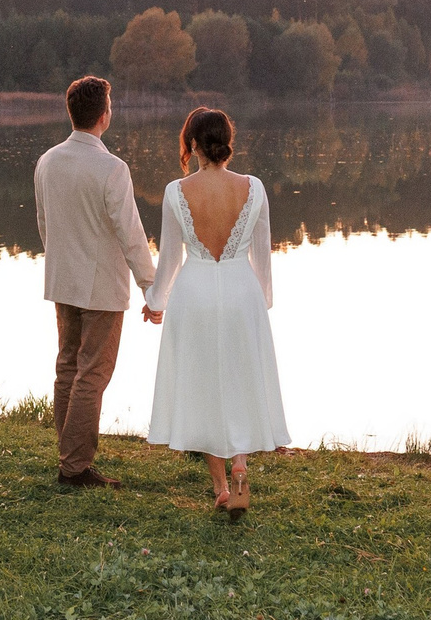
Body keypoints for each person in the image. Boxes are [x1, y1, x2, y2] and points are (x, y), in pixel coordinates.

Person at [143, 107, 288, 520]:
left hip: (196, 295)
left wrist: (156, 302)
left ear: (191, 143)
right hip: (242, 292)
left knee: (204, 384)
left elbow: (170, 257)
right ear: (227, 141)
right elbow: (263, 253)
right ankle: (240, 462)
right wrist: (261, 301)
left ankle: (222, 487)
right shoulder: (254, 187)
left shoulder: (176, 192)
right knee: (239, 378)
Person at [31, 74, 157, 489]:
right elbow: (132, 233)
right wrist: (151, 287)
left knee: (68, 365)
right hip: (101, 287)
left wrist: (60, 261)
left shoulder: (47, 161)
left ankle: (69, 455)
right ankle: (75, 468)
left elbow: (44, 224)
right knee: (93, 373)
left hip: (62, 280)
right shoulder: (112, 168)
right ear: (104, 115)